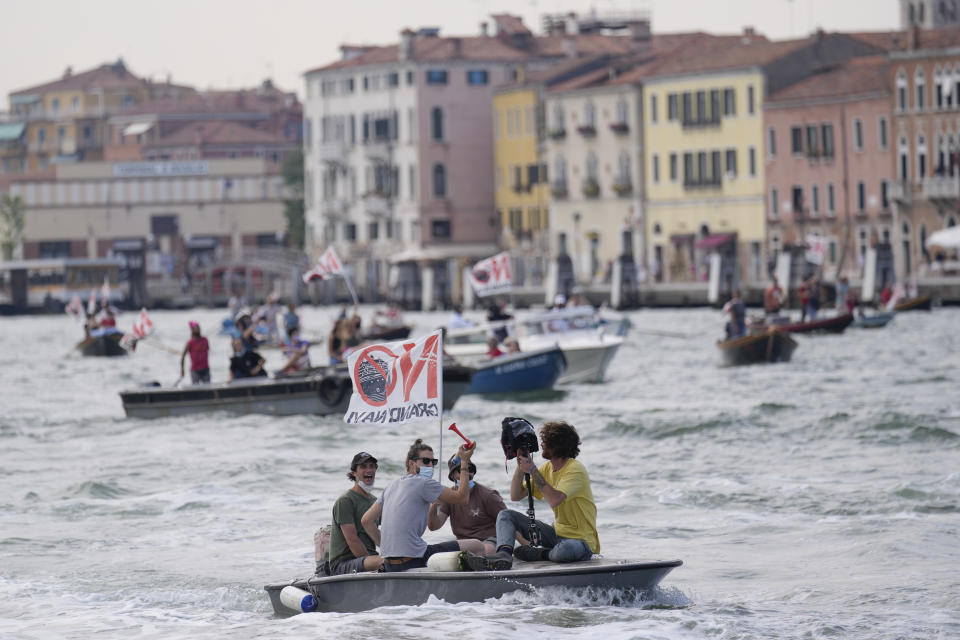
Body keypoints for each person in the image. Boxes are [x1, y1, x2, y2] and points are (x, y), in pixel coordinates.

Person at [465, 420, 598, 571]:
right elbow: (516, 495)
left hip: (581, 541)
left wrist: (533, 470)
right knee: (505, 515)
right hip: (556, 534)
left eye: (544, 441)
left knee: (566, 550)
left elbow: (554, 500)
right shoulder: (547, 468)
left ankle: (542, 554)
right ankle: (503, 555)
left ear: (556, 446)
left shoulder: (575, 469)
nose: (540, 445)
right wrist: (521, 467)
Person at [361, 439, 480, 572]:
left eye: (433, 462)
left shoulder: (391, 486)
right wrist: (464, 462)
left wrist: (386, 548)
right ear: (411, 463)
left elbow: (366, 520)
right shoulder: (424, 483)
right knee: (477, 546)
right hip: (413, 560)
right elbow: (462, 498)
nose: (430, 466)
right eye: (425, 461)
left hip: (389, 563)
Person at [428, 453, 507, 556]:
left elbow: (509, 521)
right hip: (464, 543)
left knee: (485, 550)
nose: (467, 474)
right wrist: (433, 508)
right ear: (452, 475)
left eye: (470, 469)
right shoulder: (449, 497)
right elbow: (434, 526)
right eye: (461, 470)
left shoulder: (488, 495)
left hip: (488, 541)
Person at [327, 452, 385, 575]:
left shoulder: (375, 501)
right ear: (354, 473)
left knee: (400, 560)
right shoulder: (345, 501)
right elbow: (352, 540)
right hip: (344, 563)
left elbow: (383, 535)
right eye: (363, 467)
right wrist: (374, 567)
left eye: (372, 466)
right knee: (388, 563)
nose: (369, 470)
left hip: (370, 559)